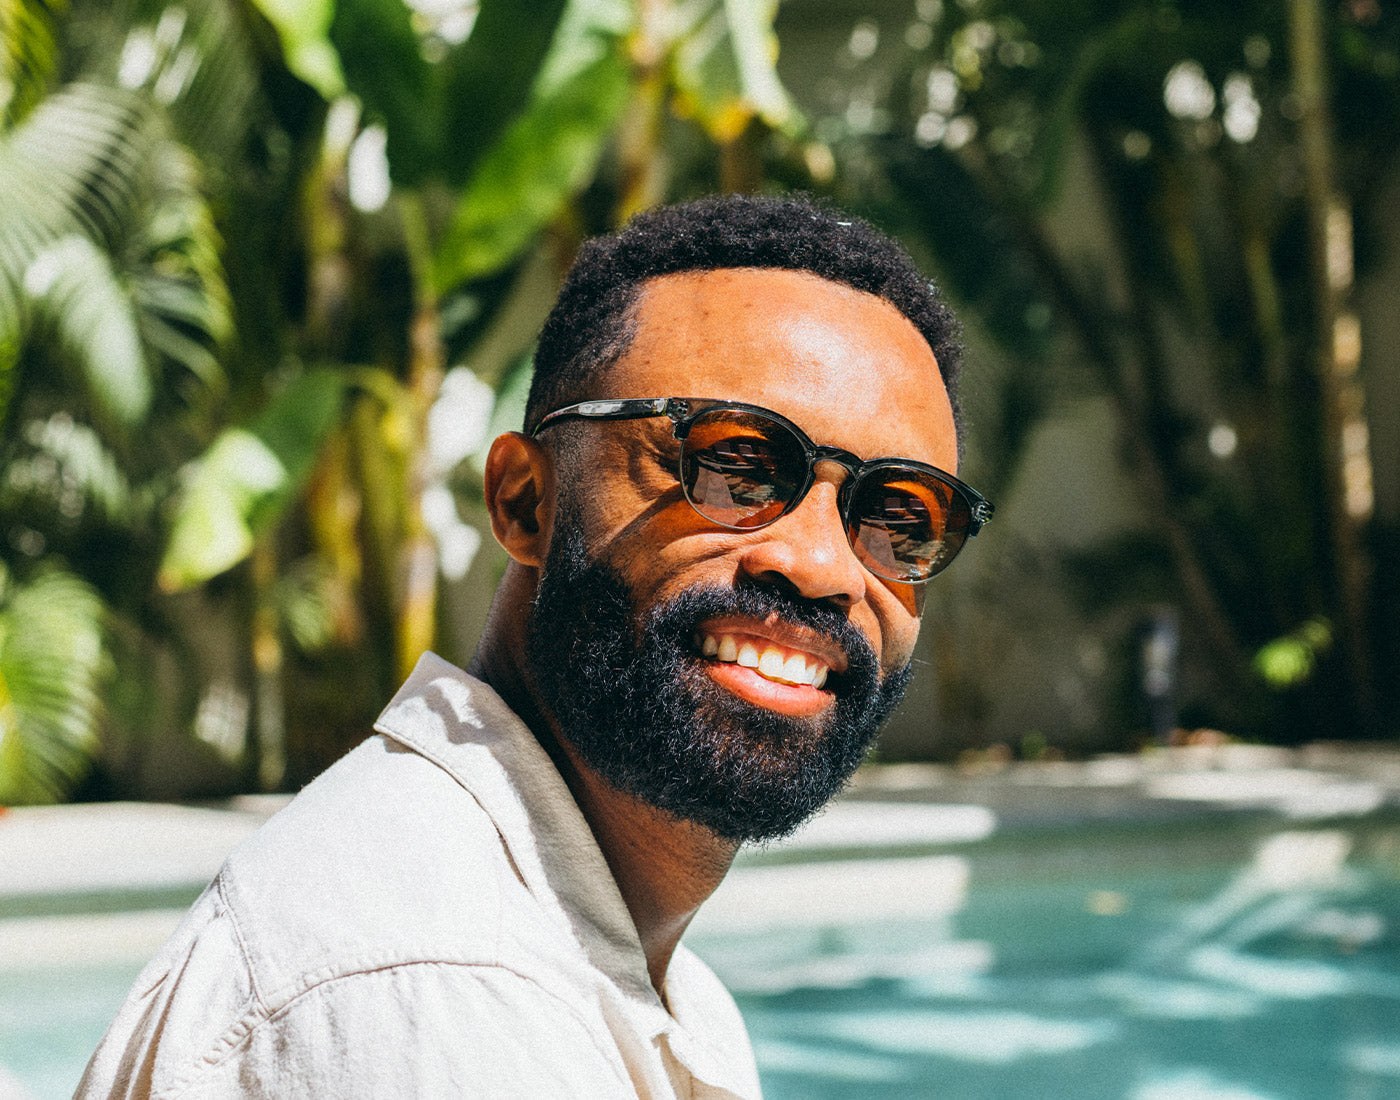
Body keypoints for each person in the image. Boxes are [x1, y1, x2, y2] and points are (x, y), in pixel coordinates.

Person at [77, 193, 993, 1098]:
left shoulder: (641, 985)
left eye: (900, 517)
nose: (824, 566)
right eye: (734, 464)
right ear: (525, 501)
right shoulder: (435, 993)